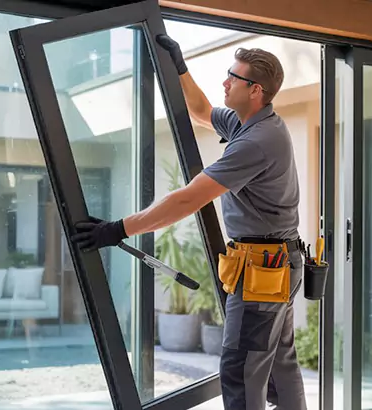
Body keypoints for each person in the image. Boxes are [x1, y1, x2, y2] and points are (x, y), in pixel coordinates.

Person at [72, 34, 306, 410]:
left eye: (233, 77)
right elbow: (201, 110)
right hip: (276, 262)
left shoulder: (256, 141)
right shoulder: (249, 123)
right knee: (279, 364)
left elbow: (186, 200)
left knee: (241, 368)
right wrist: (179, 67)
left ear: (256, 90)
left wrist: (118, 229)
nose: (225, 81)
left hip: (265, 268)